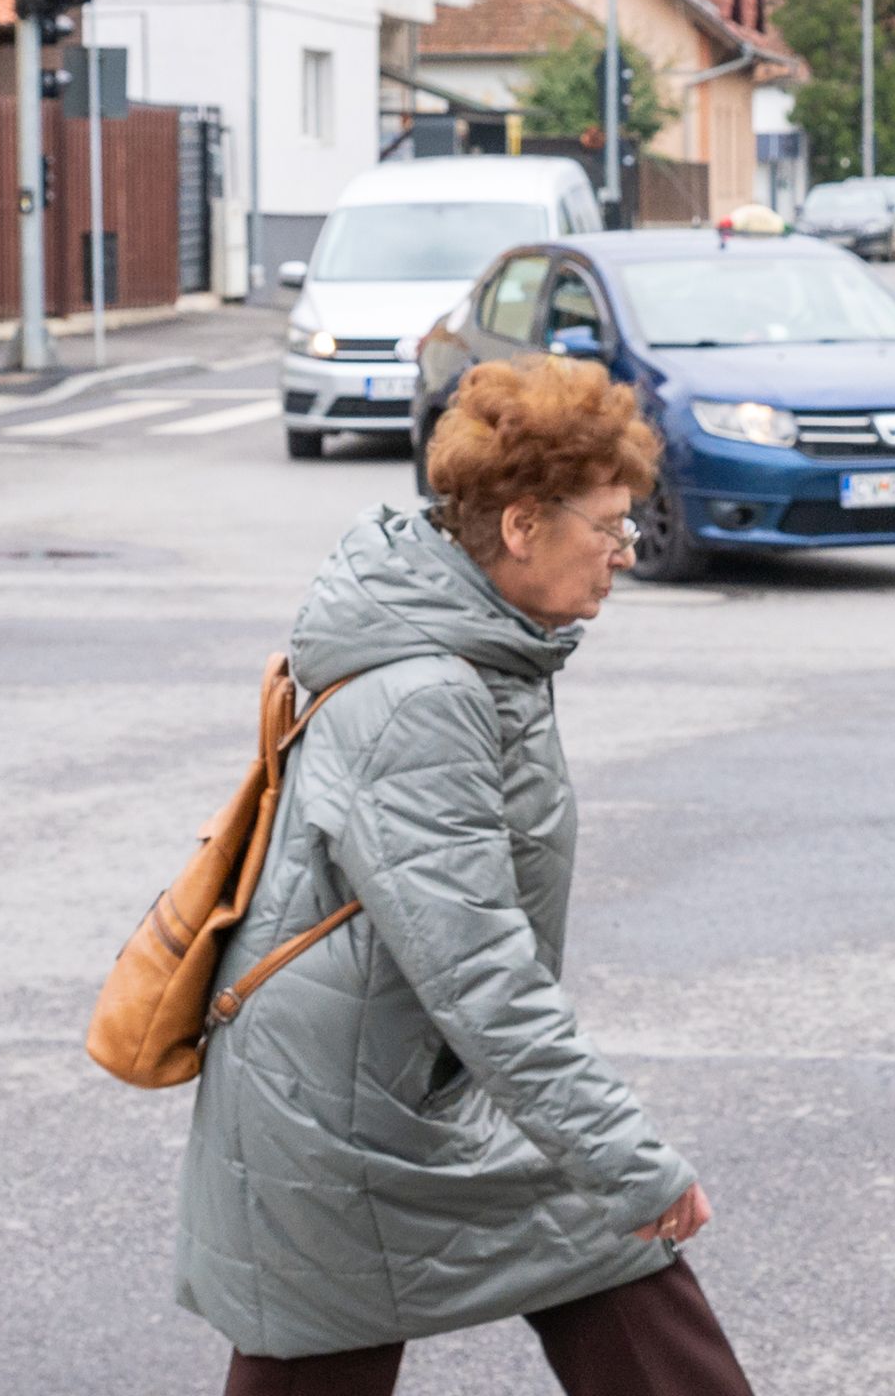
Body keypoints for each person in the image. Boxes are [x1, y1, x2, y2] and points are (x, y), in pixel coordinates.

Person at [177, 355, 753, 1396]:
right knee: (613, 1227)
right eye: (608, 524)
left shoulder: (482, 641)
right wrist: (630, 1155)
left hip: (395, 1081)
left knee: (613, 1255)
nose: (624, 552)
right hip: (344, 1112)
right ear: (524, 524)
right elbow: (479, 966)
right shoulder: (425, 693)